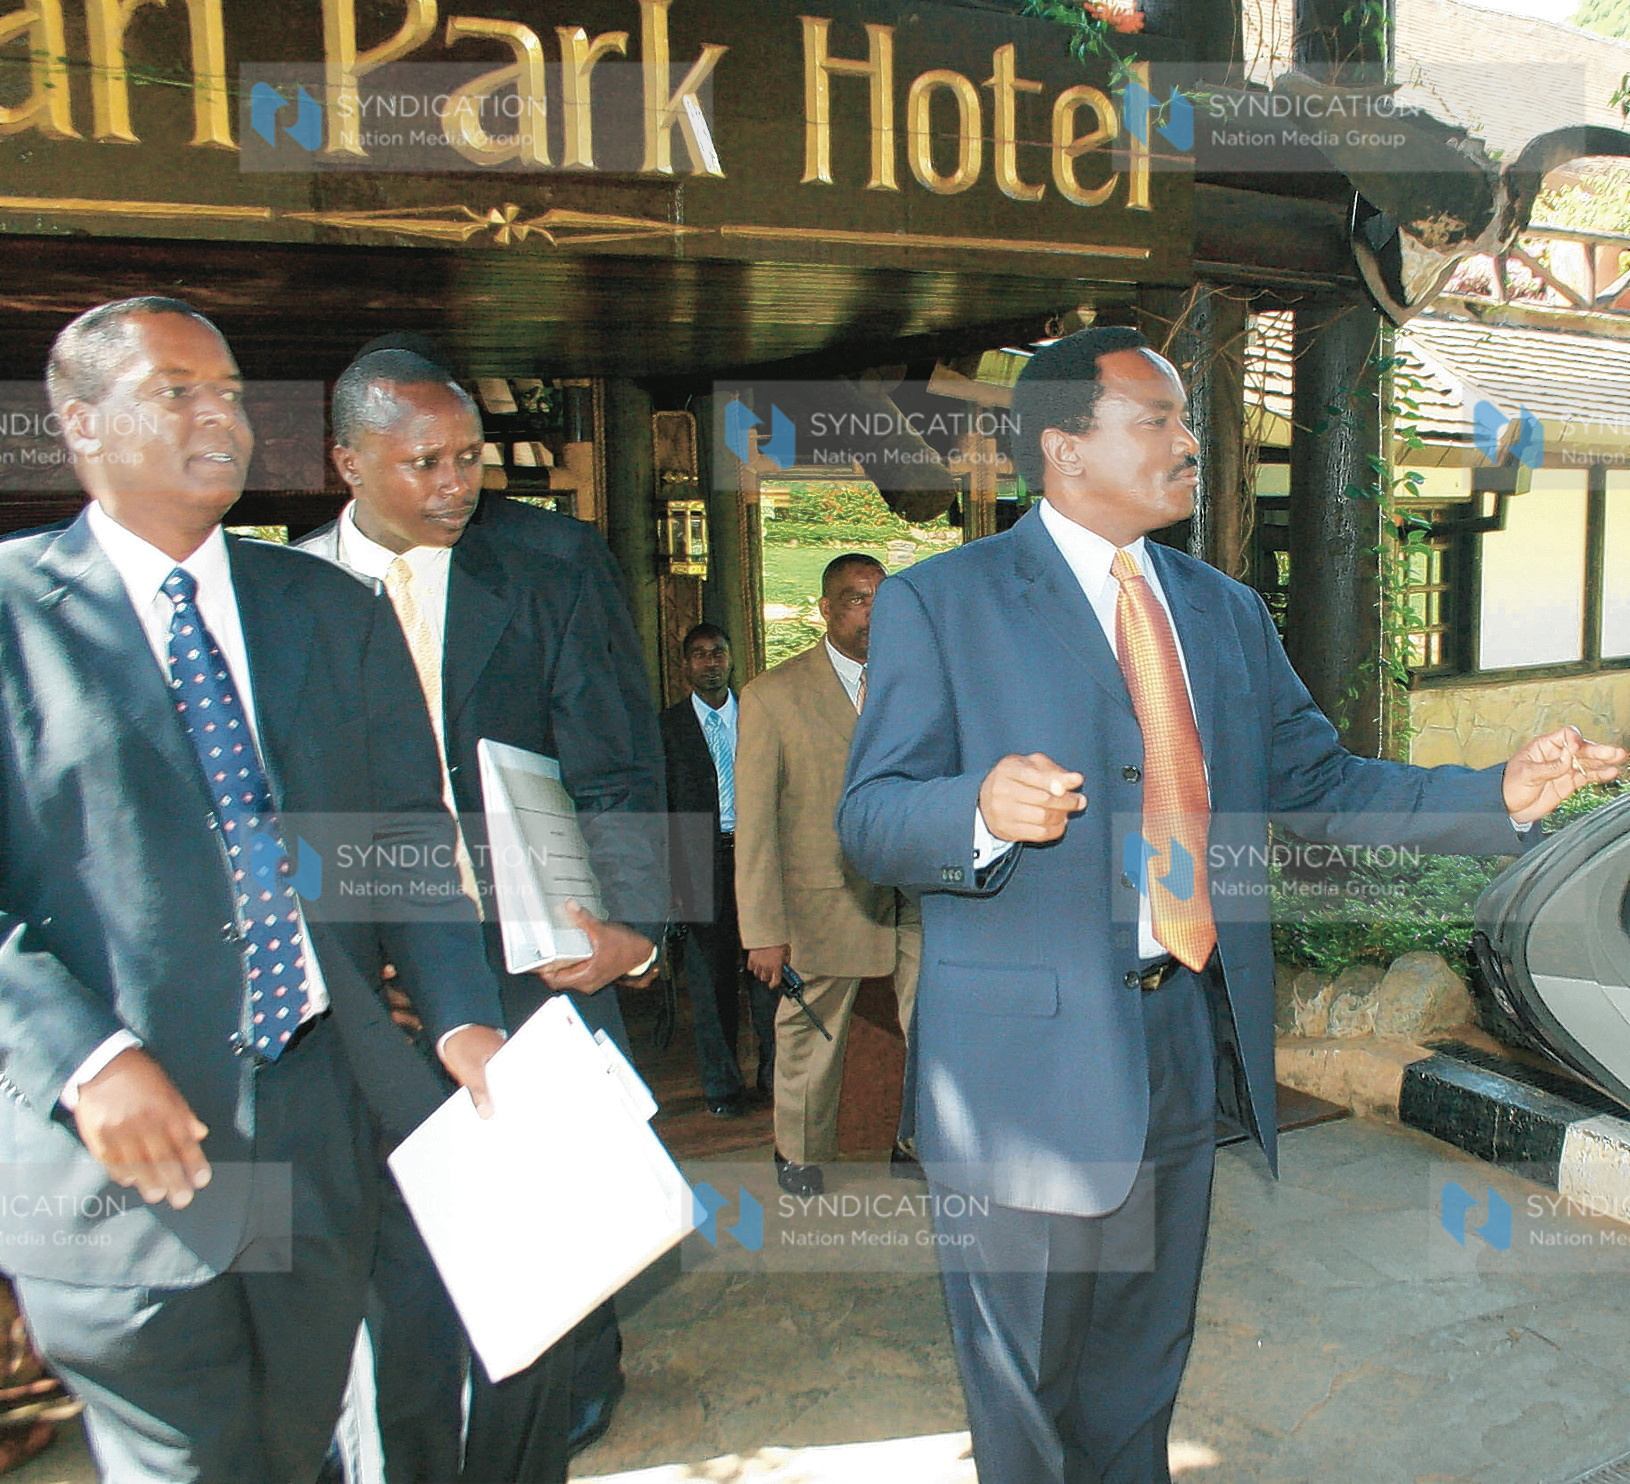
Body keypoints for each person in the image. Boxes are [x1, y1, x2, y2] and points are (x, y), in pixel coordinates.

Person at [836, 324, 1627, 1484]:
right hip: (1018, 1072)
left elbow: (1319, 786)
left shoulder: (1218, 611)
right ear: (1062, 447)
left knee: (1138, 1366)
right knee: (1025, 1390)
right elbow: (868, 817)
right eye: (1154, 419)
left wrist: (1496, 791)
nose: (1188, 440)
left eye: (1182, 419)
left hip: (1179, 1034)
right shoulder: (940, 603)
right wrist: (974, 806)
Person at [0, 297, 506, 1482]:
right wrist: (85, 1056)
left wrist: (463, 1013)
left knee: (296, 1441)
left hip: (310, 1135)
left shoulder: (324, 611)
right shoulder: (12, 615)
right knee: (189, 1457)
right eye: (177, 389)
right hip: (120, 1166)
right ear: (79, 422)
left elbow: (404, 840)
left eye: (229, 389)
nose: (219, 414)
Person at [298, 349, 668, 1479]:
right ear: (347, 462)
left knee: (562, 1251)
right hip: (387, 985)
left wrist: (636, 932)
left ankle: (557, 1417)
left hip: (542, 956)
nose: (457, 484)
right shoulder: (291, 592)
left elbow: (618, 756)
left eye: (469, 456)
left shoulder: (550, 561)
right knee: (411, 1242)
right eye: (424, 464)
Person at [736, 554, 923, 1198]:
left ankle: (917, 1140)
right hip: (825, 900)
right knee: (810, 1037)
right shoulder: (772, 696)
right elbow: (755, 826)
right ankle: (800, 1153)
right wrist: (762, 930)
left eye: (882, 599)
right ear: (826, 609)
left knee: (934, 1026)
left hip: (916, 894)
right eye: (855, 599)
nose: (871, 613)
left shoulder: (921, 684)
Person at [660, 623, 777, 1116]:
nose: (710, 662)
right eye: (700, 655)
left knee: (769, 972)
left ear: (732, 660)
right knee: (710, 984)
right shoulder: (665, 728)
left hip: (757, 855)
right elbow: (658, 806)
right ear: (685, 665)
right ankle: (722, 1088)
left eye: (719, 653)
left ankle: (775, 1080)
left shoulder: (760, 718)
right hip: (695, 862)